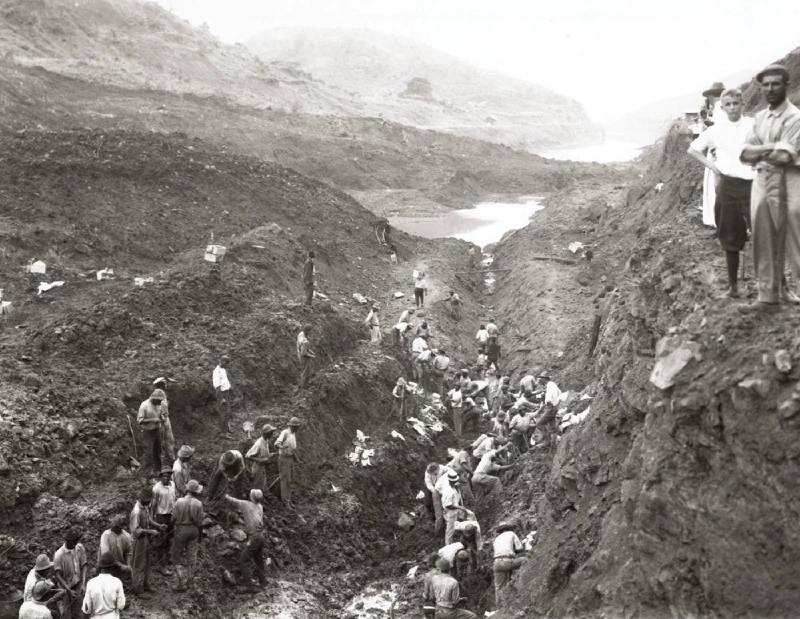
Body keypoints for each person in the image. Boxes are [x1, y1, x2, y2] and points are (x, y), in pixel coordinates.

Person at [739, 64, 800, 312]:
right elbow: (743, 153)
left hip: (790, 180)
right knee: (763, 238)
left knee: (795, 239)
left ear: (785, 85)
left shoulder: (795, 117)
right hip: (763, 181)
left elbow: (786, 157)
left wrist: (760, 151)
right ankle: (768, 296)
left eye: (775, 83)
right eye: (765, 84)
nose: (770, 89)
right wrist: (771, 148)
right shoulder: (760, 117)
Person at [688, 88, 755, 297]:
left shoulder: (753, 125)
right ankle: (733, 288)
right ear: (723, 107)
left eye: (736, 103)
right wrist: (713, 167)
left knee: (763, 235)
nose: (733, 107)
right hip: (727, 187)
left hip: (751, 186)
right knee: (730, 237)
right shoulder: (716, 130)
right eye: (729, 104)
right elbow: (693, 149)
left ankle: (771, 287)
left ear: (742, 104)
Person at [224, 489, 267, 589]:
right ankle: (263, 582)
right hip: (260, 536)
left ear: (251, 497)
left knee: (244, 560)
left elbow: (234, 501)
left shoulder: (246, 505)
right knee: (259, 560)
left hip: (255, 537)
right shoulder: (260, 506)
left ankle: (248, 586)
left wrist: (226, 496)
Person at [699, 82, 726, 227]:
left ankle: (717, 221)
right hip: (717, 149)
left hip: (717, 150)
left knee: (715, 186)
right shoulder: (720, 108)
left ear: (712, 96)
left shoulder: (720, 108)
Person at [172, 480, 204, 591]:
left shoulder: (179, 501)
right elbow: (200, 522)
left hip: (180, 530)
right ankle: (190, 582)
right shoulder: (199, 504)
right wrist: (200, 536)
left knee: (177, 557)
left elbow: (173, 518)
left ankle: (181, 583)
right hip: (193, 530)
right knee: (191, 557)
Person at [130, 488, 163, 595]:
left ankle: (145, 584)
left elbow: (149, 520)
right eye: (148, 500)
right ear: (142, 499)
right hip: (138, 541)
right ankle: (137, 589)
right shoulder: (136, 511)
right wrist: (151, 531)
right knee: (139, 565)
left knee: (146, 563)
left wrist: (158, 526)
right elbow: (136, 531)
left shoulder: (144, 507)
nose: (150, 502)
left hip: (145, 539)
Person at [53, 529, 88, 619]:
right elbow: (58, 575)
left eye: (77, 540)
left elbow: (83, 565)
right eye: (74, 541)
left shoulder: (80, 548)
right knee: (65, 614)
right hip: (64, 588)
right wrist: (68, 590)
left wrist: (83, 584)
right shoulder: (59, 555)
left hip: (77, 585)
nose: (76, 543)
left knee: (79, 613)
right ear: (67, 541)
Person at [493, 521, 526, 608]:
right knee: (526, 560)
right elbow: (519, 548)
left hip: (496, 563)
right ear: (508, 528)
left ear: (500, 531)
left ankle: (499, 607)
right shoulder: (511, 533)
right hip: (507, 561)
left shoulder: (496, 539)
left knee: (499, 586)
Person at [82, 552, 125, 619]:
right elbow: (121, 606)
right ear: (112, 567)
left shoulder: (91, 583)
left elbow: (87, 609)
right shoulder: (117, 582)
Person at [151, 468, 177, 572]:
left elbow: (174, 498)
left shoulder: (172, 485)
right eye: (163, 476)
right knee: (161, 539)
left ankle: (167, 558)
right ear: (160, 477)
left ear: (170, 476)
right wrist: (153, 520)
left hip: (171, 515)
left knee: (170, 537)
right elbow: (153, 505)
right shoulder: (157, 488)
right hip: (161, 516)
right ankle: (160, 565)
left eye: (168, 476)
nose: (166, 478)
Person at [275, 417, 303, 508]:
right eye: (295, 427)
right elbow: (277, 443)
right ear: (291, 426)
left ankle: (289, 500)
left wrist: (298, 460)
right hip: (283, 458)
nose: (297, 428)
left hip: (290, 459)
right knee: (285, 480)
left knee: (290, 480)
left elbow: (293, 449)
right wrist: (282, 447)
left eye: (297, 427)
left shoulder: (293, 434)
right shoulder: (285, 433)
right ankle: (285, 502)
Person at [136, 389, 164, 475]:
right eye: (159, 401)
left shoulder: (158, 405)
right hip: (148, 432)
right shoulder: (144, 405)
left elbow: (160, 414)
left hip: (157, 430)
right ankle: (144, 472)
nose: (160, 403)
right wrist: (153, 420)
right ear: (154, 398)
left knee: (158, 450)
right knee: (148, 452)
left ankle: (157, 470)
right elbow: (139, 421)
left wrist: (162, 417)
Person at [246, 424, 277, 495]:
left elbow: (263, 455)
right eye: (271, 432)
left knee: (263, 489)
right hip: (257, 469)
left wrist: (270, 455)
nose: (272, 434)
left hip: (262, 469)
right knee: (257, 490)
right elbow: (247, 456)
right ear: (267, 434)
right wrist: (260, 460)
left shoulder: (266, 442)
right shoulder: (259, 443)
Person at [440, 470, 469, 544]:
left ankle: (461, 537)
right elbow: (448, 505)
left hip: (453, 511)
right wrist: (459, 507)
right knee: (450, 530)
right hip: (450, 513)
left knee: (458, 523)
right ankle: (448, 545)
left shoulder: (451, 487)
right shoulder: (449, 491)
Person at [424, 462, 454, 531]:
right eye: (433, 474)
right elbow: (429, 485)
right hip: (432, 488)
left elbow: (451, 472)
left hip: (442, 486)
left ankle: (445, 516)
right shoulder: (427, 473)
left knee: (445, 502)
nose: (434, 474)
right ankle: (432, 514)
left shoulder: (442, 468)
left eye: (435, 473)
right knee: (428, 503)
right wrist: (436, 492)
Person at [152, 377, 176, 463]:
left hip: (166, 419)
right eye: (164, 384)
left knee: (170, 440)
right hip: (159, 422)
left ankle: (171, 458)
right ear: (160, 385)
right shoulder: (155, 397)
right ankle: (162, 461)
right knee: (161, 442)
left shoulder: (163, 395)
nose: (166, 386)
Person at [536, 373, 561, 448]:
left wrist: (549, 402)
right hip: (554, 407)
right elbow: (560, 393)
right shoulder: (553, 384)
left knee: (539, 424)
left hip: (550, 408)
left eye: (541, 378)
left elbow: (549, 398)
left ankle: (547, 441)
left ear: (545, 378)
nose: (540, 380)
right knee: (552, 427)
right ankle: (553, 445)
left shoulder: (549, 386)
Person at [212, 356, 233, 435]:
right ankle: (223, 433)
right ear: (223, 361)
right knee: (223, 413)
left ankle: (226, 428)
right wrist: (221, 399)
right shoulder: (216, 372)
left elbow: (224, 381)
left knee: (227, 412)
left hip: (226, 393)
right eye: (226, 363)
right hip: (221, 394)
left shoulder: (223, 370)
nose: (227, 365)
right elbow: (217, 387)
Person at [296, 325, 316, 390]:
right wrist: (312, 356)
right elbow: (304, 353)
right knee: (305, 372)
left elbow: (302, 348)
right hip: (303, 357)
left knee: (304, 370)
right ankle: (303, 386)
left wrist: (310, 351)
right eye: (310, 332)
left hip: (299, 353)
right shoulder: (305, 341)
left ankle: (302, 384)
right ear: (308, 332)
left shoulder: (301, 334)